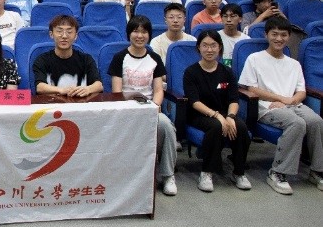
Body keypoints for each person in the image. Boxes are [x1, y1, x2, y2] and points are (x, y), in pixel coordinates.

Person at [239, 16, 323, 195]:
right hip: (266, 106)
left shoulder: (294, 64)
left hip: (292, 104)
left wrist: (290, 101)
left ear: (289, 37)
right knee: (296, 123)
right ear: (266, 35)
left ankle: (317, 170)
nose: (279, 38)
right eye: (274, 34)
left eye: (283, 35)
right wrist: (281, 99)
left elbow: (301, 92)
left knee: (316, 121)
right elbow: (252, 88)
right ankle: (277, 172)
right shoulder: (255, 59)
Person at [109, 16, 177, 196]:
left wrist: (155, 105)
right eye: (135, 31)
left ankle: (168, 175)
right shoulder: (119, 58)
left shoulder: (154, 58)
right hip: (126, 108)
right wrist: (129, 108)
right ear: (129, 34)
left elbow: (158, 89)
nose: (140, 36)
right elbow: (117, 91)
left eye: (144, 32)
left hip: (149, 108)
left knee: (166, 126)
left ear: (149, 35)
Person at [183, 30, 253, 192]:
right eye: (205, 45)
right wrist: (217, 116)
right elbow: (194, 102)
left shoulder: (227, 72)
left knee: (241, 127)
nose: (209, 49)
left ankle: (239, 172)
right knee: (216, 126)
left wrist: (230, 116)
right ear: (198, 48)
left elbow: (234, 99)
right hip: (199, 114)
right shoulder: (191, 72)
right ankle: (206, 172)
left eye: (213, 45)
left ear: (219, 47)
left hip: (224, 113)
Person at [33, 15, 103, 96]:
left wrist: (88, 89)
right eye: (59, 31)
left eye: (69, 32)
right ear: (51, 34)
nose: (64, 36)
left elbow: (99, 85)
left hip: (80, 102)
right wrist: (61, 90)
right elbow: (40, 87)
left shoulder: (86, 59)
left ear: (76, 36)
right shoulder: (42, 60)